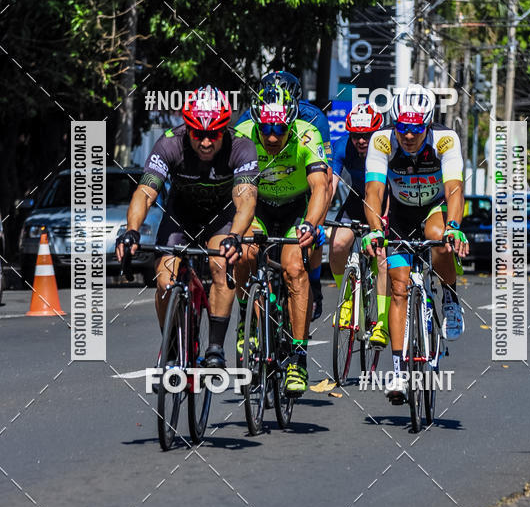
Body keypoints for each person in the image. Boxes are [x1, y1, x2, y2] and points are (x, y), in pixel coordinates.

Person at [116, 86, 259, 369]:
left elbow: (246, 199)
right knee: (164, 281)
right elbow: (145, 192)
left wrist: (235, 236)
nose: (205, 142)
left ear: (225, 129)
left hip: (221, 219)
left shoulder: (241, 146)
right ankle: (171, 346)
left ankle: (215, 347)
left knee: (221, 264)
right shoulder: (169, 143)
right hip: (181, 216)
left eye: (214, 134)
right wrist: (132, 230)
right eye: (198, 134)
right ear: (187, 129)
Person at [362, 85, 469, 399]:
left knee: (439, 236)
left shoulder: (445, 139)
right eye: (402, 127)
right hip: (400, 215)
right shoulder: (382, 140)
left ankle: (450, 297)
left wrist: (454, 227)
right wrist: (375, 230)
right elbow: (373, 192)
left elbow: (454, 190)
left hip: (434, 208)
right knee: (398, 288)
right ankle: (398, 373)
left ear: (428, 123)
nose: (408, 135)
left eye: (416, 129)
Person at [235, 82, 329, 395]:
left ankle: (298, 359)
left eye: (280, 130)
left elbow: (321, 187)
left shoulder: (307, 134)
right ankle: (246, 319)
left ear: (291, 123)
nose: (273, 137)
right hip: (257, 206)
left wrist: (311, 225)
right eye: (266, 130)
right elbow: (232, 186)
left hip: (295, 209)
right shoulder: (242, 134)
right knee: (244, 252)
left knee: (295, 269)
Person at [329, 103, 390, 347]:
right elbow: (330, 185)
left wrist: (383, 220)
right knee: (337, 244)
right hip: (357, 201)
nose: (361, 141)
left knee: (382, 256)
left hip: (385, 201)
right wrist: (317, 219)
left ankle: (383, 322)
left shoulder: (387, 145)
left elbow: (391, 187)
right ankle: (346, 301)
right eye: (356, 135)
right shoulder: (342, 146)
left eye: (366, 135)